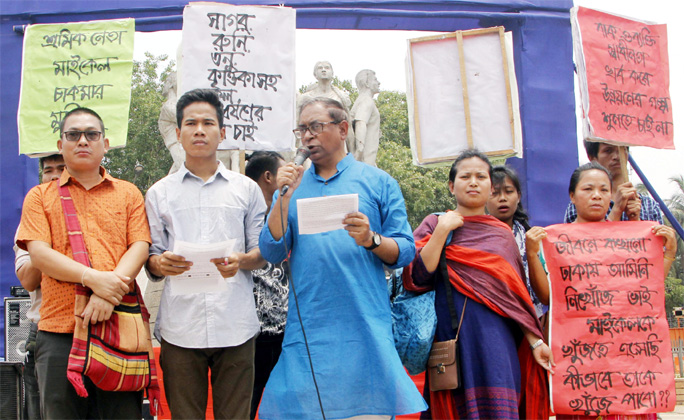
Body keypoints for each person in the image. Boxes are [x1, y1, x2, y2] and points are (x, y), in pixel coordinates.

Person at [258, 96, 426, 419]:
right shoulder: (293, 187)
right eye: (302, 129)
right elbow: (271, 251)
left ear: (344, 128)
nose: (307, 136)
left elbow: (405, 251)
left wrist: (371, 239)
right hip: (308, 332)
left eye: (316, 127)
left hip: (364, 329)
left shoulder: (377, 182)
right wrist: (283, 198)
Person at [16, 107, 151, 419]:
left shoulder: (128, 194)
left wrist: (105, 294)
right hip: (60, 330)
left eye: (91, 134)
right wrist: (94, 279)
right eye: (73, 135)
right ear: (61, 144)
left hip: (118, 325)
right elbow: (39, 254)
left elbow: (140, 245)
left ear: (105, 143)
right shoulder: (39, 197)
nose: (82, 141)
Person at [404, 150, 554, 419]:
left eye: (480, 177)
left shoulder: (501, 234)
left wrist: (535, 343)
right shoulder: (434, 223)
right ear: (451, 185)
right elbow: (416, 277)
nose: (473, 182)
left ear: (489, 186)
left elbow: (516, 299)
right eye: (465, 176)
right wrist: (441, 231)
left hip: (497, 342)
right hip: (452, 342)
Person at [145, 88, 267, 419]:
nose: (200, 130)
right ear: (178, 133)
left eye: (208, 123)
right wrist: (160, 262)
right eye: (191, 123)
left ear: (222, 133)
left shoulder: (247, 189)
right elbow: (151, 258)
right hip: (180, 327)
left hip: (235, 322)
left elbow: (262, 252)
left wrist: (242, 261)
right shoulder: (159, 193)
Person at [526, 161, 676, 420]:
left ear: (611, 196)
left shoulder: (631, 239)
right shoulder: (556, 242)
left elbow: (648, 291)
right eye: (588, 189)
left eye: (604, 190)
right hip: (582, 362)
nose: (597, 195)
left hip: (627, 359)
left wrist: (670, 254)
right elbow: (548, 297)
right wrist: (531, 253)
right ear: (572, 196)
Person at [14, 154, 65, 420]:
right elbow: (28, 280)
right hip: (45, 328)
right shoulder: (31, 220)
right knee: (43, 412)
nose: (55, 176)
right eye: (48, 171)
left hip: (94, 323)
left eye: (62, 169)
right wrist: (45, 236)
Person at [245, 151, 288, 419]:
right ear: (269, 176)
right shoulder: (242, 212)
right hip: (251, 333)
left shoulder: (288, 212)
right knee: (245, 405)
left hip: (287, 331)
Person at [486, 165, 548, 319]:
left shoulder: (532, 238)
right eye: (495, 193)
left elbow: (546, 294)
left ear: (518, 196)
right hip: (494, 319)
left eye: (508, 191)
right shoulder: (477, 238)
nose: (503, 198)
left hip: (533, 318)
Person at [564, 141, 663, 224]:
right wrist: (616, 210)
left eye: (622, 150)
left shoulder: (649, 205)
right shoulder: (582, 202)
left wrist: (636, 220)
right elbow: (577, 241)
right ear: (592, 157)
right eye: (608, 151)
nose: (617, 156)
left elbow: (656, 245)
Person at [350, 69, 381, 166]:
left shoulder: (361, 100)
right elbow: (360, 123)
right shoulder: (366, 100)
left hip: (367, 160)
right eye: (375, 80)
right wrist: (360, 151)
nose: (378, 83)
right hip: (365, 160)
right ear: (367, 83)